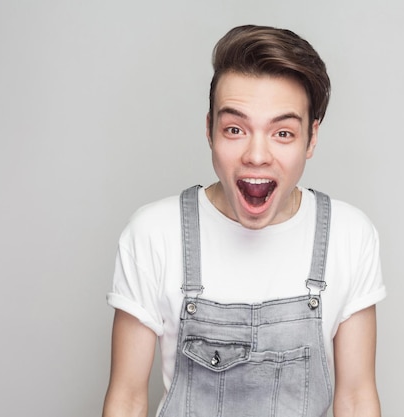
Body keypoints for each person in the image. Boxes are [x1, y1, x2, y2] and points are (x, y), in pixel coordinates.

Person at [102, 24, 386, 417]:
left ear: (312, 138)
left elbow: (355, 399)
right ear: (209, 130)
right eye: (235, 129)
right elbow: (128, 399)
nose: (256, 155)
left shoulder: (349, 236)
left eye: (282, 133)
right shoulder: (154, 233)